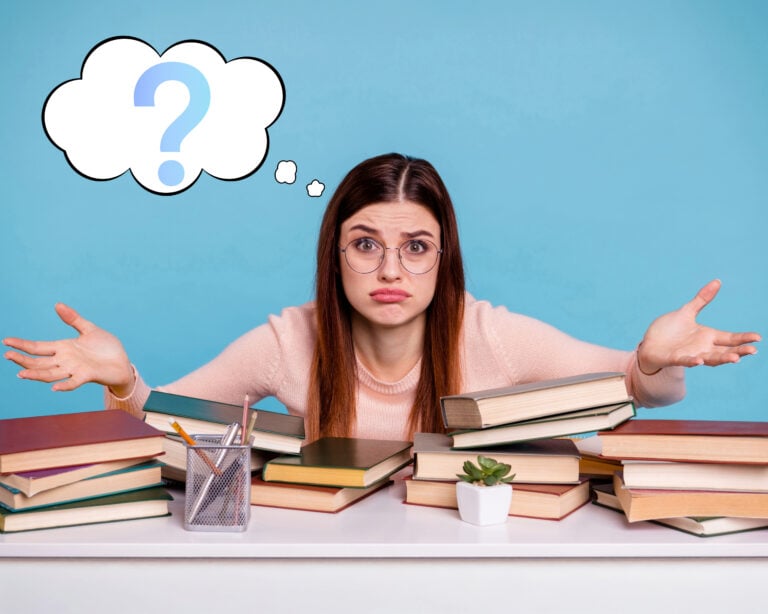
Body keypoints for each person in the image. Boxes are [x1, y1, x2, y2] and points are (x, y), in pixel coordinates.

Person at [3, 153, 761, 442]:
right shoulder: (287, 339)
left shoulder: (489, 334)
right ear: (335, 257)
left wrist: (655, 357)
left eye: (415, 247)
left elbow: (631, 385)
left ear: (443, 260)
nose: (389, 268)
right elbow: (178, 421)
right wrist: (122, 380)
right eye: (365, 244)